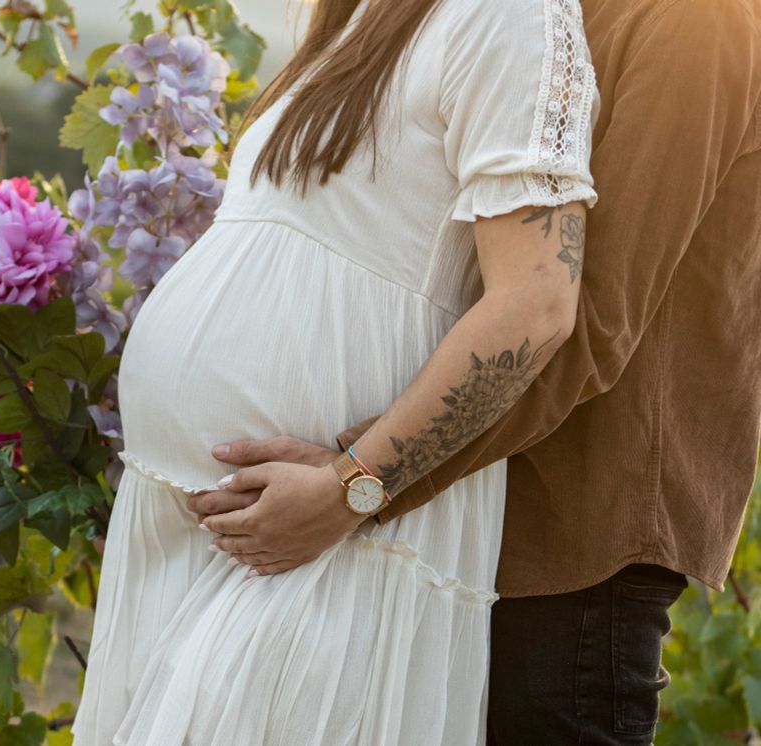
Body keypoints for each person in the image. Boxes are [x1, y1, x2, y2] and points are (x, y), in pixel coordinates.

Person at [191, 0, 761, 742]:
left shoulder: (696, 21)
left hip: (571, 536)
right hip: (457, 503)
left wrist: (359, 478)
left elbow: (585, 319)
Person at [70, 0, 599, 742]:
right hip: (205, 533)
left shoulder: (509, 15)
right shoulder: (355, 22)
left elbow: (537, 301)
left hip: (333, 540)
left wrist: (351, 487)